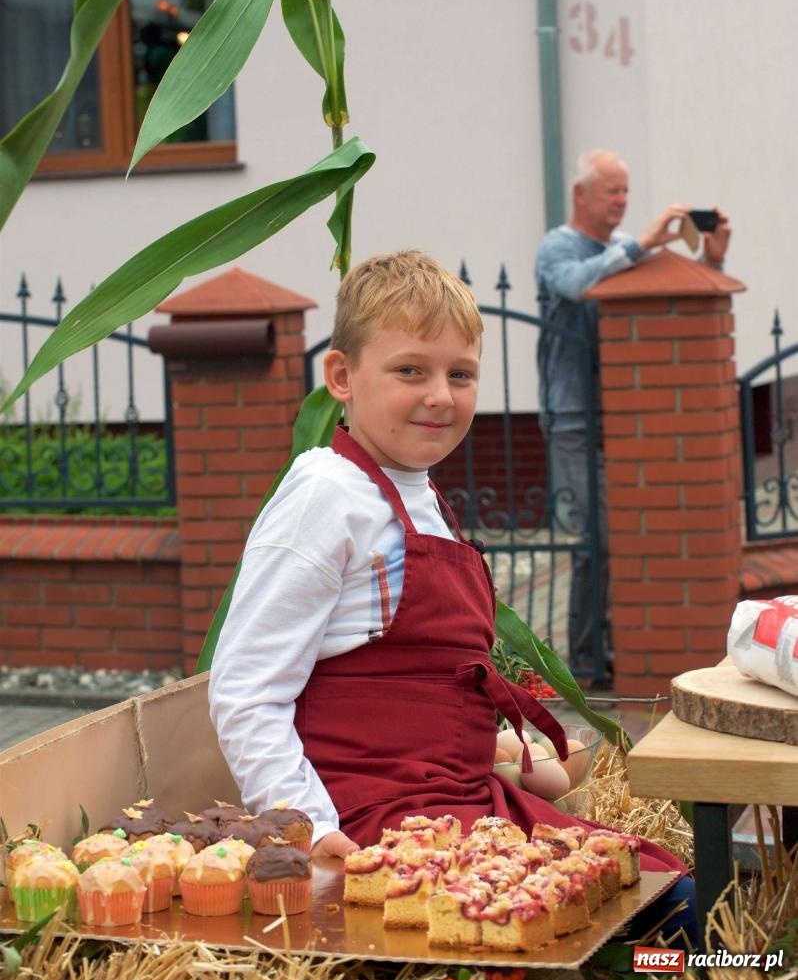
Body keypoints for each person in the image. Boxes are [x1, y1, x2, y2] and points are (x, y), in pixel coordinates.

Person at [208, 248, 688, 933]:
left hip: (464, 803)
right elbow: (247, 690)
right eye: (411, 370)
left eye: (460, 374)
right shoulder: (326, 493)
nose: (441, 394)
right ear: (342, 377)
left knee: (657, 886)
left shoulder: (421, 492)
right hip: (379, 821)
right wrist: (308, 828)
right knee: (662, 916)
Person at [535, 150, 731, 687]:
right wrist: (641, 244)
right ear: (581, 195)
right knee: (592, 539)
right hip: (572, 417)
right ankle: (585, 661)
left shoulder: (624, 250)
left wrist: (711, 263)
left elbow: (670, 306)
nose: (622, 200)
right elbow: (576, 285)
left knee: (624, 534)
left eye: (625, 190)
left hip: (625, 414)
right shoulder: (558, 247)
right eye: (612, 190)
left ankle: (608, 648)